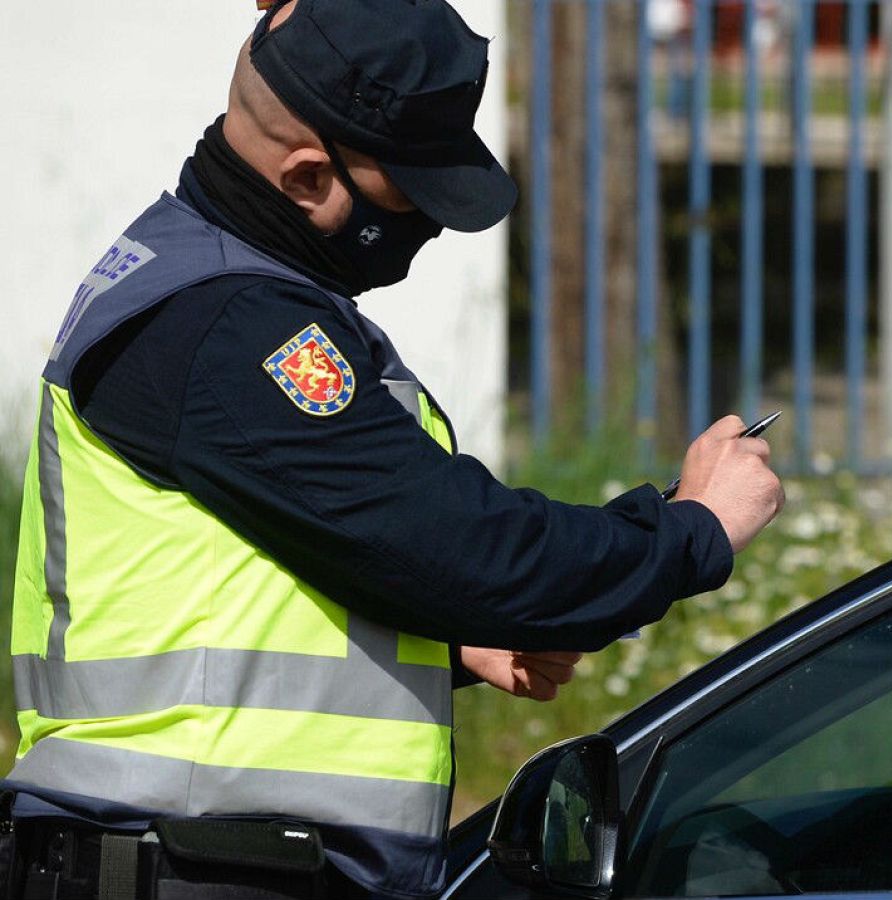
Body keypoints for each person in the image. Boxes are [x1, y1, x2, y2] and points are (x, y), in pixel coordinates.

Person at [6, 1, 782, 898]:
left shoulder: (226, 291)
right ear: (306, 178)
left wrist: (450, 646)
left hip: (218, 863)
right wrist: (692, 527)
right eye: (411, 191)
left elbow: (273, 573)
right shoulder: (229, 327)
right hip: (196, 870)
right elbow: (464, 547)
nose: (431, 221)